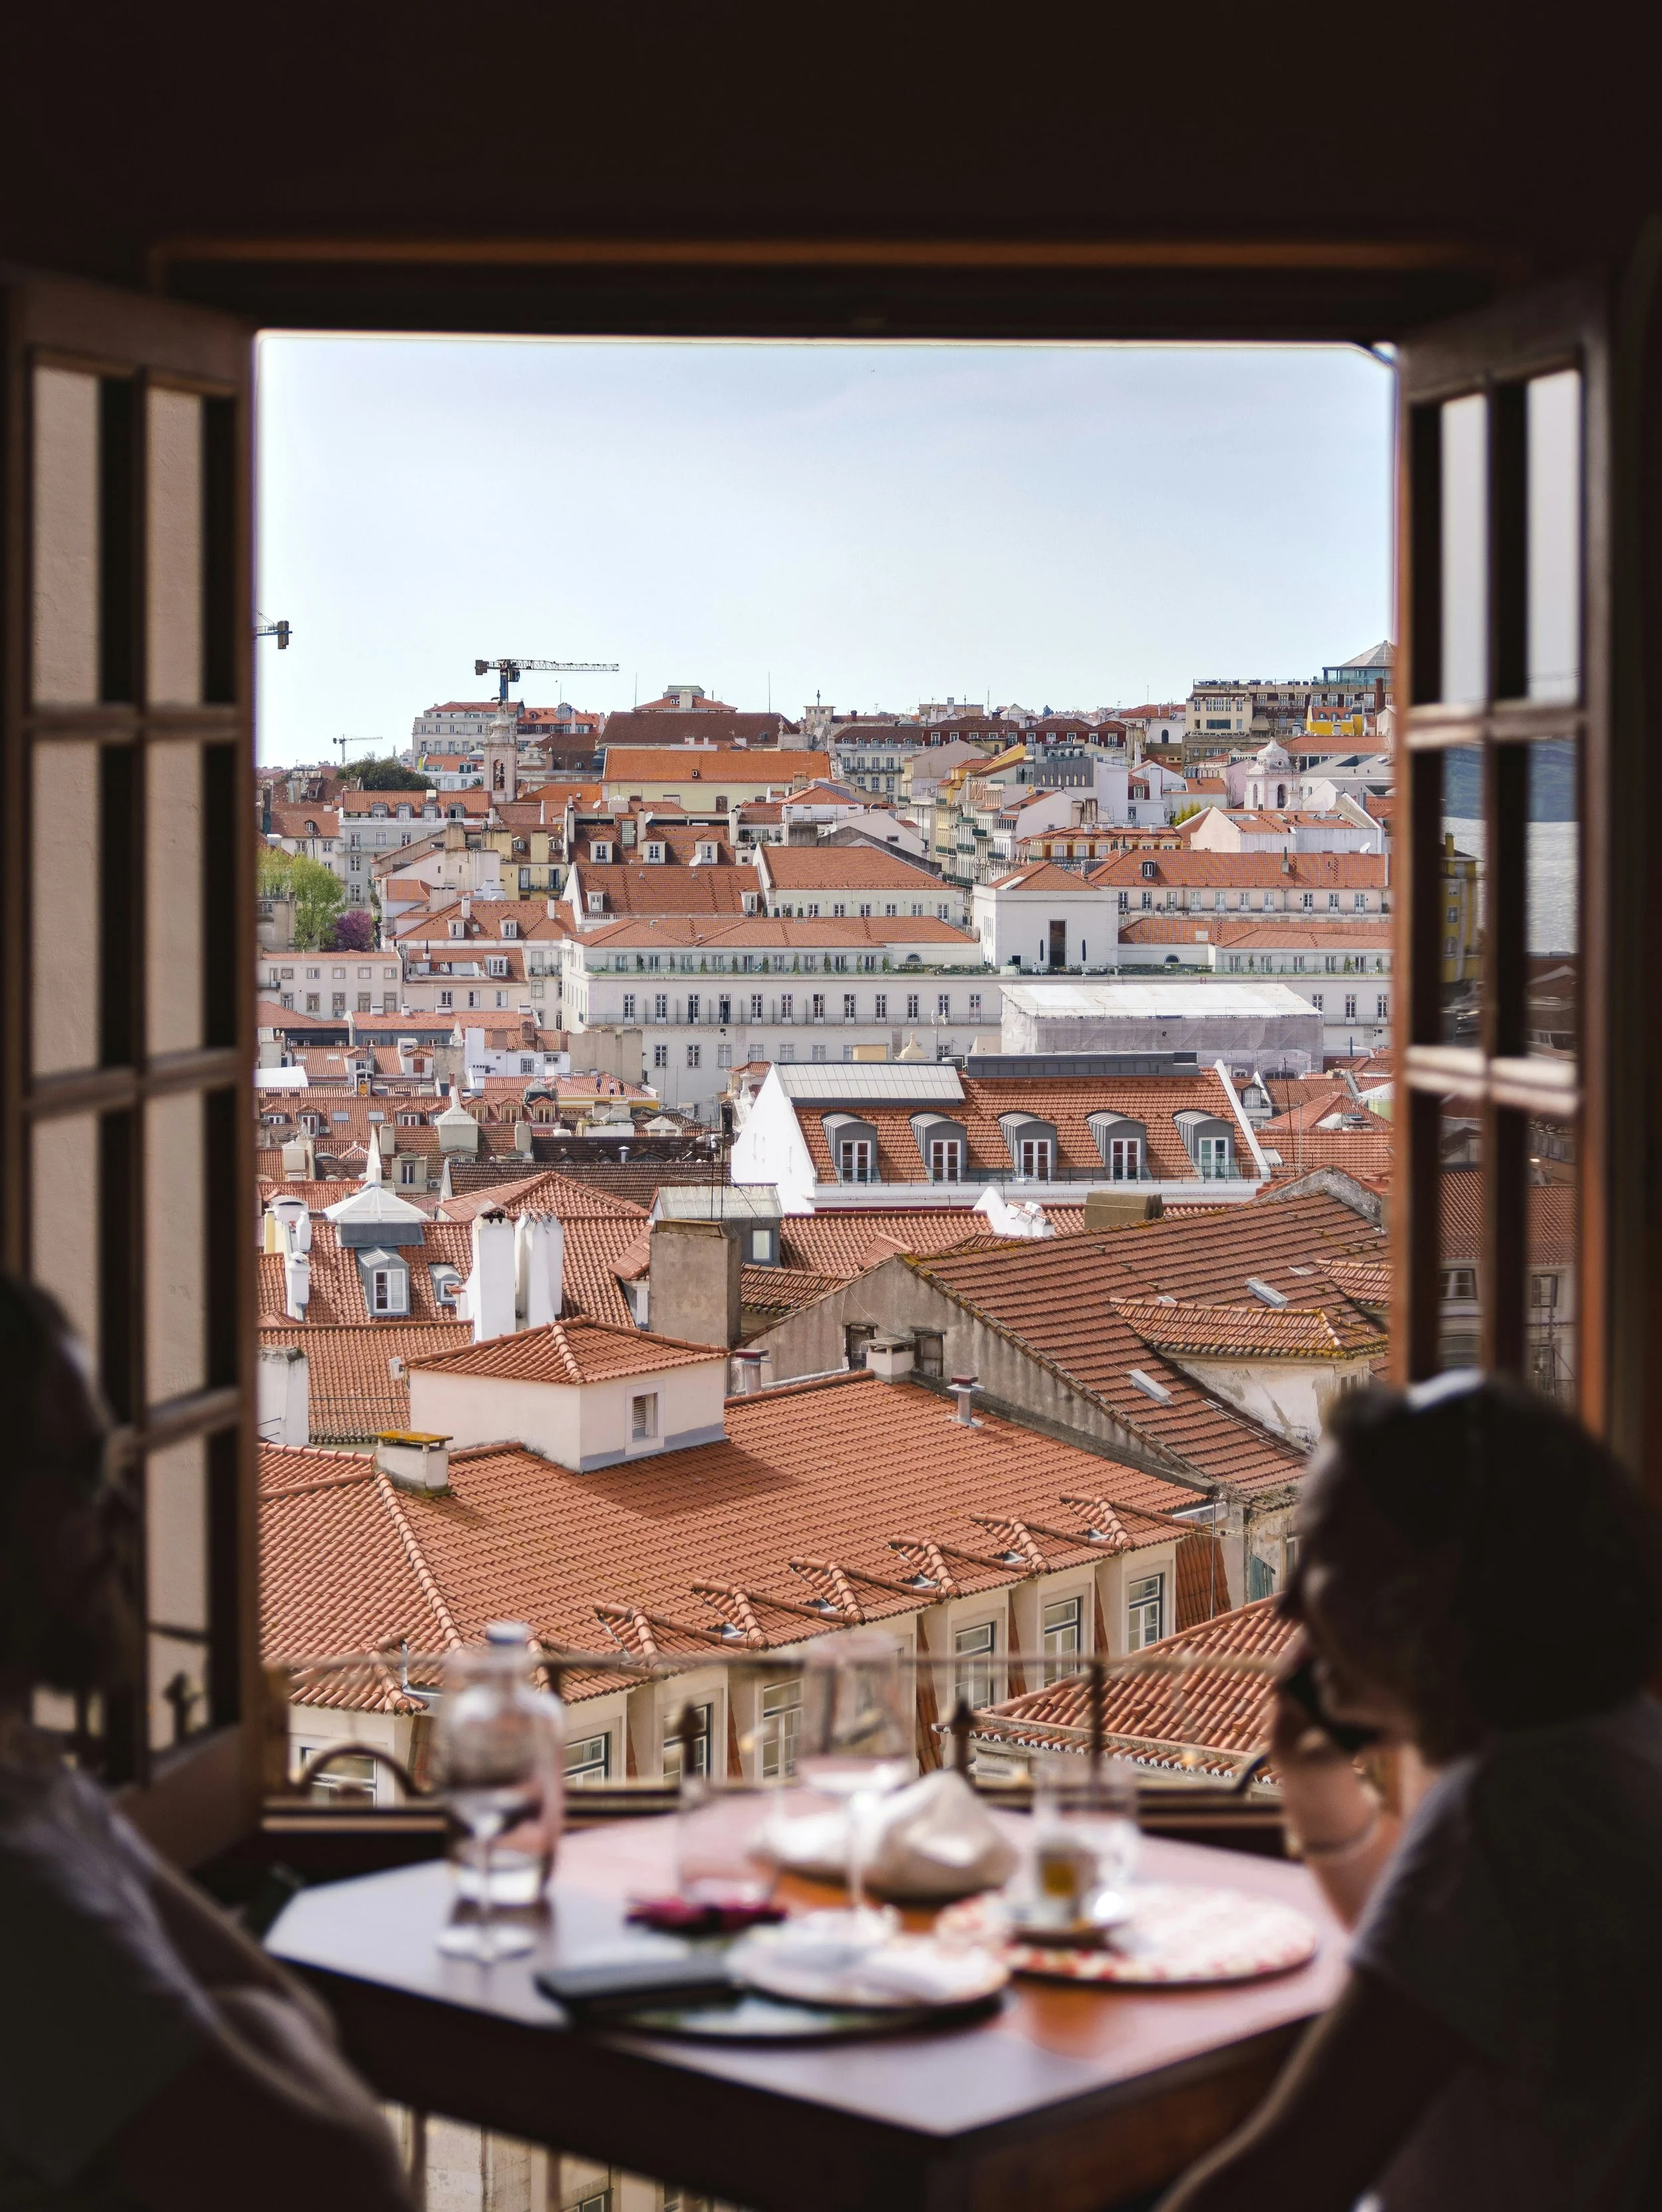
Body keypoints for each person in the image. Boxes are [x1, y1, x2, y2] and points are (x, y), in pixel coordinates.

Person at [1161, 1371, 1662, 2212]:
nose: (1287, 1603)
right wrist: (1320, 1788)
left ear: (1426, 1589)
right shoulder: (1620, 1750)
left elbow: (1286, 2178)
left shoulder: (1504, 1810)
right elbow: (1448, 1961)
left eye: (1321, 1557)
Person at [0, 1277, 412, 2212]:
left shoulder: (30, 1776)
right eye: (81, 1476)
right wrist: (244, 2020)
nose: (130, 1519)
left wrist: (249, 2023)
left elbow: (290, 2019)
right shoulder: (14, 1881)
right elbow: (341, 2173)